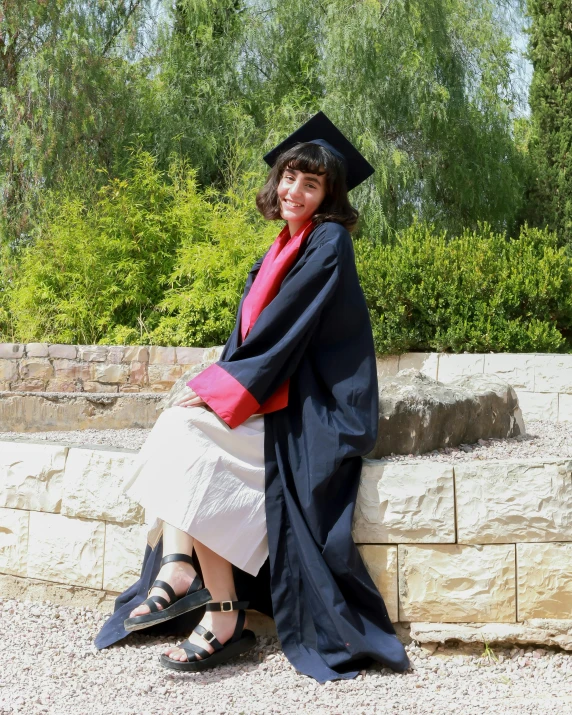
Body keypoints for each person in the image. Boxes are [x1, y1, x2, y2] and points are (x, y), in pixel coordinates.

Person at [95, 111, 410, 682]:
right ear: (277, 181)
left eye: (311, 184)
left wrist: (218, 391)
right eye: (290, 177)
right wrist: (214, 386)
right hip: (276, 395)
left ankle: (196, 587)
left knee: (188, 435)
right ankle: (200, 590)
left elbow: (281, 332)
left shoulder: (329, 242)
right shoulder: (277, 250)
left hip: (315, 408)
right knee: (183, 433)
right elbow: (245, 340)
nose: (295, 190)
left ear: (328, 196)